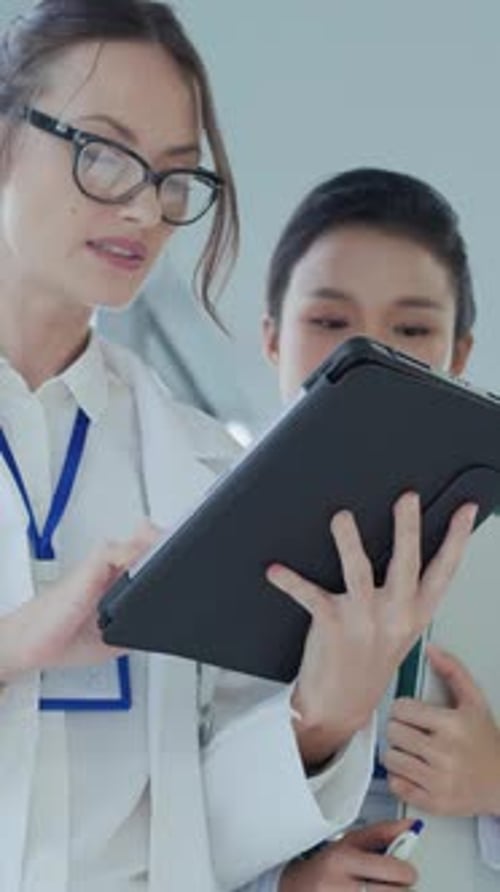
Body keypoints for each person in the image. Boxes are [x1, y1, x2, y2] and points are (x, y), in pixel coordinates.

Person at [0, 3, 476, 889]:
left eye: (176, 176)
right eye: (102, 152)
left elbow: (196, 834)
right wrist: (15, 644)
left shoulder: (207, 473)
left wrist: (321, 716)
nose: (145, 206)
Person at [258, 167, 500, 889]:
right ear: (272, 338)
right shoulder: (184, 545)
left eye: (413, 328)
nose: (367, 356)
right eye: (330, 322)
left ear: (459, 352)